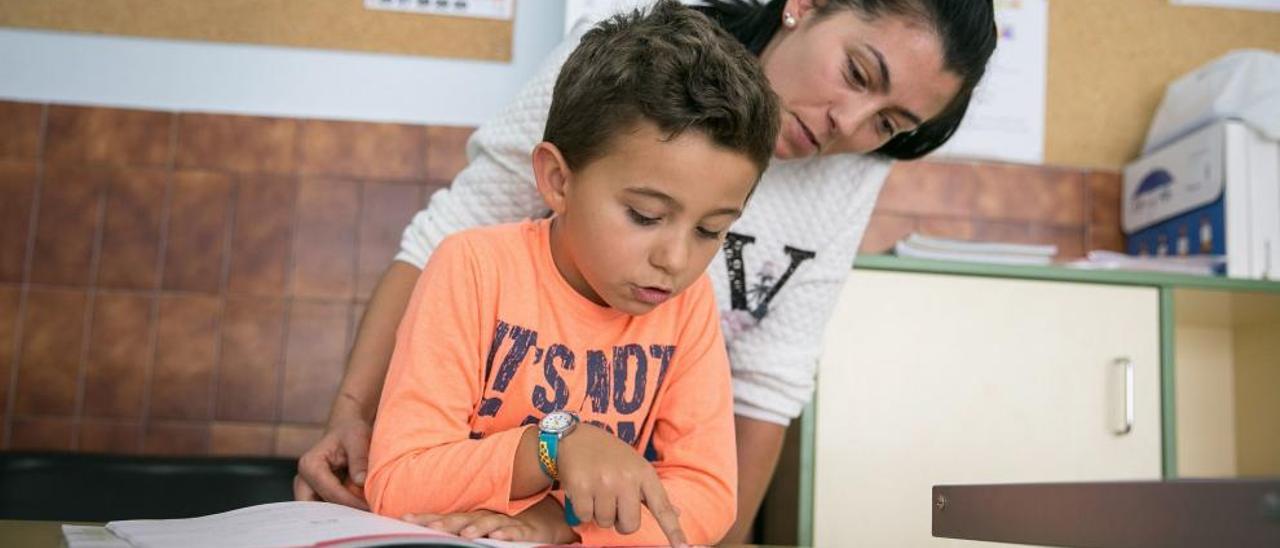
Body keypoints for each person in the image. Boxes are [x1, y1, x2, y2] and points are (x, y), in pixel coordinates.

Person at [296, 0, 997, 543]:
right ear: (806, 5)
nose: (851, 124)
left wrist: (587, 523)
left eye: (890, 124)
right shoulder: (630, 74)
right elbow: (445, 237)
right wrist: (354, 414)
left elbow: (763, 393)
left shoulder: (696, 300)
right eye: (857, 74)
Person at [363, 2, 780, 545]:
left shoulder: (687, 305)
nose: (676, 260)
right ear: (558, 180)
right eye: (645, 216)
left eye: (710, 230)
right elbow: (398, 483)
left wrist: (560, 521)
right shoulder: (471, 268)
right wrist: (554, 448)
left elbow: (707, 496)